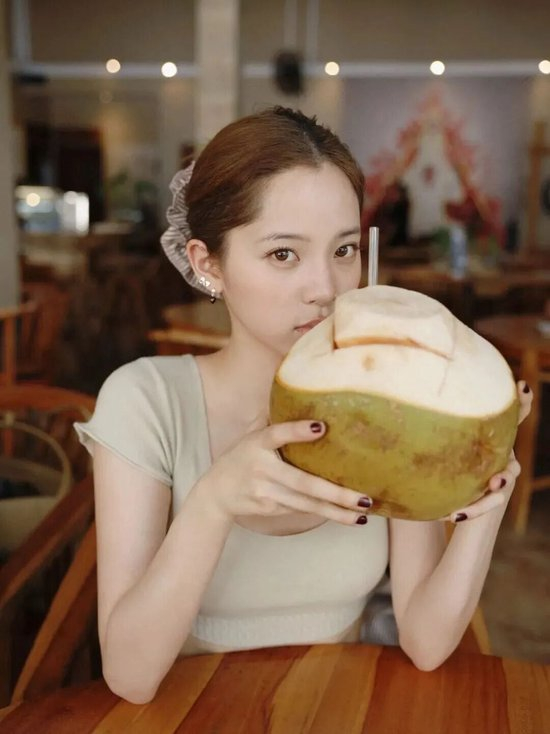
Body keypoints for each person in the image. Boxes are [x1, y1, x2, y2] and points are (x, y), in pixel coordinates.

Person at [75, 107, 532, 704]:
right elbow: (130, 677)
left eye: (344, 250)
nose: (325, 288)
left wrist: (488, 490)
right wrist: (213, 501)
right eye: (283, 254)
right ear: (208, 264)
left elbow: (426, 641)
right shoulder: (147, 401)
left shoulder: (395, 400)